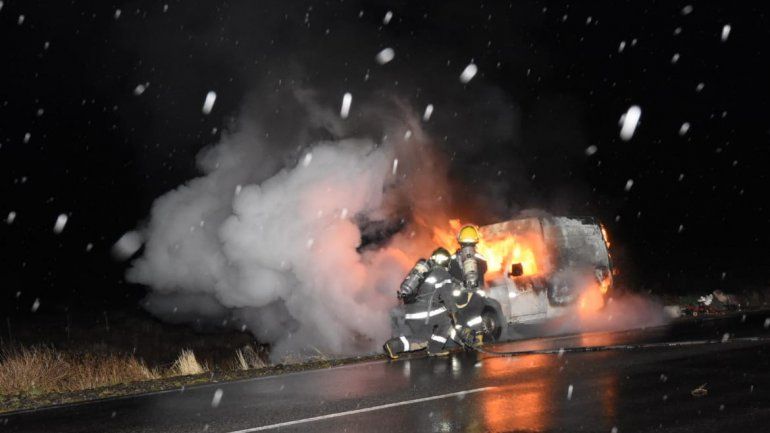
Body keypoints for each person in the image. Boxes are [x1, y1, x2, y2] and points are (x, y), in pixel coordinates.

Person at [449, 224, 488, 290]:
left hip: (477, 291)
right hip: (458, 291)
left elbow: (483, 269)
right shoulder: (453, 259)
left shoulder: (480, 259)